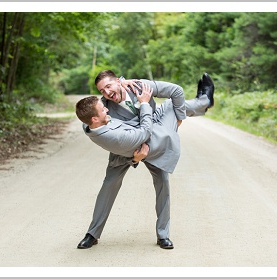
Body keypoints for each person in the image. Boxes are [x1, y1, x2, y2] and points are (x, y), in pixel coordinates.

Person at [75, 71, 215, 250]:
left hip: (151, 137)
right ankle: (92, 234)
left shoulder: (139, 86)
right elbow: (91, 119)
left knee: (163, 181)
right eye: (102, 91)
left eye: (109, 86)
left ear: (118, 81)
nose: (107, 93)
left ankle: (163, 235)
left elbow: (176, 91)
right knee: (109, 184)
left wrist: (179, 118)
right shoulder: (103, 108)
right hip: (126, 148)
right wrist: (135, 158)